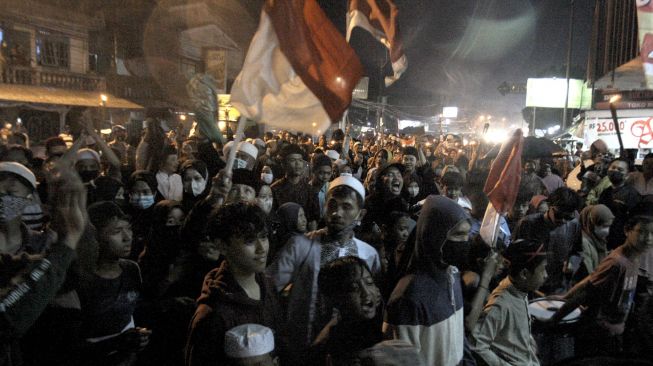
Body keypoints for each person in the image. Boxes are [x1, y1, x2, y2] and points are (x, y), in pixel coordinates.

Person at [267, 176, 380, 363]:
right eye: (332, 205)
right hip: (301, 348)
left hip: (348, 351)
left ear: (360, 215)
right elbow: (269, 289)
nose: (336, 213)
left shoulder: (368, 254)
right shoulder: (300, 245)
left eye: (346, 207)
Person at [0, 162, 87, 366]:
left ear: (29, 199)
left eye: (11, 192)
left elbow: (73, 286)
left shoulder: (44, 243)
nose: (3, 199)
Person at [185, 202, 282, 366]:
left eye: (264, 237)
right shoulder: (213, 314)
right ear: (222, 245)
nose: (262, 248)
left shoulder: (267, 285)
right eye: (250, 240)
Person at [383, 195, 474, 366]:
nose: (465, 242)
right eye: (458, 234)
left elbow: (460, 340)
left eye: (467, 234)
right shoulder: (407, 298)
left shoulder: (452, 275)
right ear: (435, 236)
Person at [549, 212, 653, 357]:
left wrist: (566, 295)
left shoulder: (633, 258)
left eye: (652, 233)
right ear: (627, 231)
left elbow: (592, 276)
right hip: (600, 334)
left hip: (615, 331)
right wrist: (554, 319)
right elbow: (586, 293)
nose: (648, 238)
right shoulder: (617, 263)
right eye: (642, 232)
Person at [79, 201, 151, 365]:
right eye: (117, 231)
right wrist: (118, 342)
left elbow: (131, 312)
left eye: (129, 229)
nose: (127, 237)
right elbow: (68, 346)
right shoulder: (80, 279)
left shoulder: (131, 269)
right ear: (94, 237)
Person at [470, 239, 546, 366]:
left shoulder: (520, 289)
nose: (546, 275)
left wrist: (528, 340)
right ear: (524, 274)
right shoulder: (500, 303)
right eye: (542, 270)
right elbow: (477, 345)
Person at [311, 256, 383, 366]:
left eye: (369, 283)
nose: (366, 293)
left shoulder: (383, 323)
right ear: (334, 298)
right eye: (354, 288)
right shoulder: (337, 344)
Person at [513, 187, 582, 293]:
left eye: (568, 217)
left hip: (557, 287)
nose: (563, 221)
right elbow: (514, 257)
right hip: (529, 286)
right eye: (559, 215)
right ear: (549, 206)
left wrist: (572, 262)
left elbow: (577, 251)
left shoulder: (574, 225)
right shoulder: (527, 224)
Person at [271, 144, 319, 230]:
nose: (298, 164)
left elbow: (313, 220)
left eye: (300, 160)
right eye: (293, 160)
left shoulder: (310, 190)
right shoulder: (275, 189)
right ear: (283, 164)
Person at [599, 158, 642, 250]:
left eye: (620, 170)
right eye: (613, 167)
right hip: (604, 238)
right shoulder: (605, 192)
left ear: (626, 176)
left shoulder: (632, 195)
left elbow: (635, 222)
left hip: (621, 242)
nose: (615, 171)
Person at [573, 204, 614, 283]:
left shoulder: (598, 241)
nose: (606, 230)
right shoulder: (583, 243)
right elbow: (588, 275)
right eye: (603, 226)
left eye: (608, 226)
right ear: (590, 223)